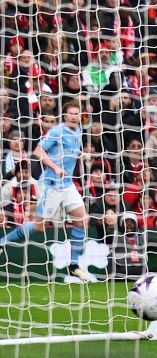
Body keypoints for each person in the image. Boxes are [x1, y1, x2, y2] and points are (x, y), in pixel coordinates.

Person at [0, 102, 94, 282]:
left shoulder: (79, 131)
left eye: (77, 113)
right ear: (65, 116)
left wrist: (82, 155)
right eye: (71, 114)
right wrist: (55, 167)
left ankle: (73, 265)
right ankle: (3, 242)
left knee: (82, 219)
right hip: (51, 185)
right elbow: (38, 150)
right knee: (38, 226)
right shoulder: (57, 131)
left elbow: (69, 152)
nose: (74, 116)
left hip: (67, 185)